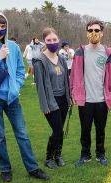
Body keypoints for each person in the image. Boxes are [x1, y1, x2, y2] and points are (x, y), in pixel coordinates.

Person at [0, 12, 48, 182]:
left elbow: (21, 70)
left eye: (2, 26)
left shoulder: (13, 46)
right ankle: (5, 169)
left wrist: (17, 85)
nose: (0, 29)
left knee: (22, 133)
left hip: (12, 98)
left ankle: (32, 168)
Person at [70, 20, 111, 166]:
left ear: (102, 33)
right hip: (85, 100)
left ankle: (100, 154)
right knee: (85, 130)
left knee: (100, 130)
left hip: (101, 101)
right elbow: (73, 75)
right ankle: (85, 155)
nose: (94, 33)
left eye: (97, 30)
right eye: (91, 30)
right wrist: (74, 93)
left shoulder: (108, 53)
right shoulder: (80, 52)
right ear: (87, 33)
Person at [33, 28, 72, 169]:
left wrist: (69, 98)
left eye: (54, 40)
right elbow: (40, 86)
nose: (52, 42)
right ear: (44, 41)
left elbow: (66, 81)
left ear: (58, 40)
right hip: (51, 101)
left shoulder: (61, 58)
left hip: (63, 100)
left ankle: (58, 155)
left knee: (60, 129)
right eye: (49, 40)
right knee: (57, 130)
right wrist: (45, 106)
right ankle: (49, 157)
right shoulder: (39, 61)